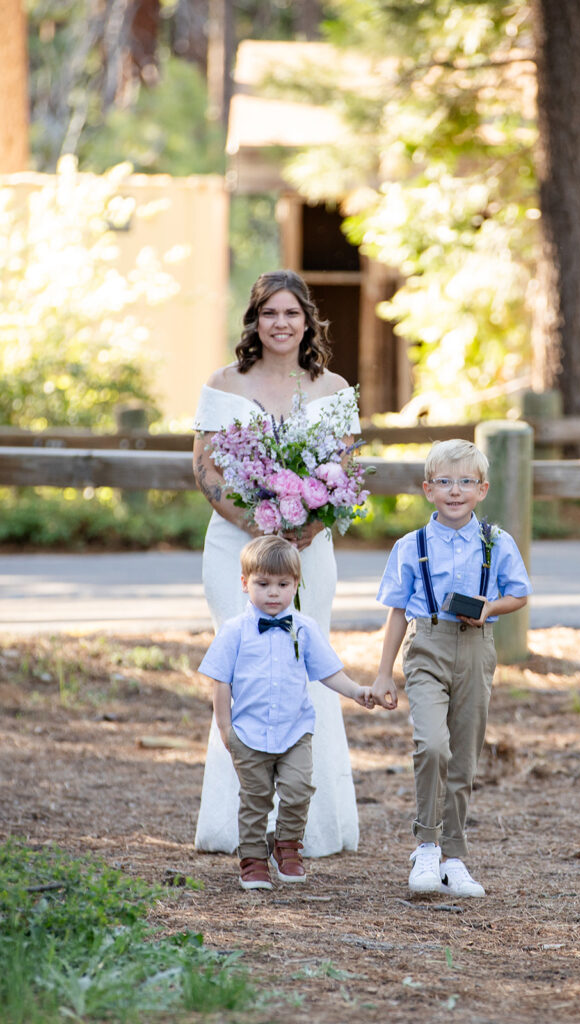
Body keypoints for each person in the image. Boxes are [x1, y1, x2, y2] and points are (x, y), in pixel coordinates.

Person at [193, 269, 361, 857]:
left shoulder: (334, 388)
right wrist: (258, 526)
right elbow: (207, 469)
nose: (281, 324)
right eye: (270, 314)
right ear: (255, 321)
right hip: (236, 546)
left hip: (310, 548)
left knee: (306, 661)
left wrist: (304, 529)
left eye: (292, 313)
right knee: (243, 665)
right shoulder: (224, 383)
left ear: (307, 320)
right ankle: (237, 824)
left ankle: (308, 826)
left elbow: (344, 475)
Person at [370, 439, 532, 897]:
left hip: (477, 648)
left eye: (465, 482)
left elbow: (519, 595)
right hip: (428, 646)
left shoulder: (496, 542)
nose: (455, 491)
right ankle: (425, 845)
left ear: (482, 489)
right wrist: (384, 673)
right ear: (427, 489)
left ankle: (453, 856)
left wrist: (488, 607)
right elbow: (398, 610)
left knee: (463, 755)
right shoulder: (410, 545)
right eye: (444, 482)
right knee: (432, 745)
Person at [198, 536, 375, 890]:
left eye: (283, 584)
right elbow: (221, 682)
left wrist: (356, 691)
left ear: (296, 585)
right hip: (248, 733)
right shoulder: (235, 631)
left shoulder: (304, 628)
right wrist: (225, 729)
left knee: (299, 789)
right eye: (263, 584)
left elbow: (327, 671)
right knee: (255, 799)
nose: (274, 593)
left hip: (295, 731)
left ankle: (288, 845)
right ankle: (252, 859)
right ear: (245, 583)